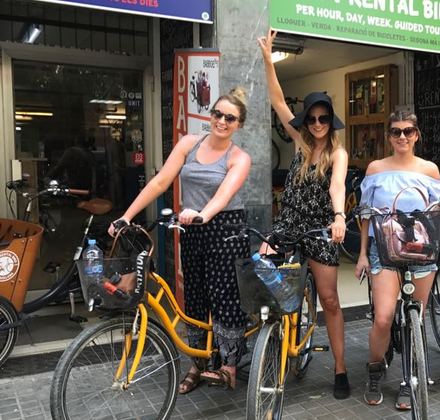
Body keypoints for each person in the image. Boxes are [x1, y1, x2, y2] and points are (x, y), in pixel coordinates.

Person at [108, 87, 252, 392]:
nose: (222, 121)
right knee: (195, 298)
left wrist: (202, 214)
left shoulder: (239, 158)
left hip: (225, 228)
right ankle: (198, 363)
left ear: (239, 124)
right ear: (210, 114)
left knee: (224, 298)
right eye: (218, 114)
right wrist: (128, 216)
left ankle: (228, 365)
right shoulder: (190, 142)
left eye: (230, 118)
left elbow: (222, 198)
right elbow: (161, 181)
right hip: (191, 226)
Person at [258, 30, 351, 399]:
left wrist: (340, 217)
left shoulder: (337, 154)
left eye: (322, 118)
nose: (316, 124)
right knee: (260, 271)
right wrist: (269, 60)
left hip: (320, 229)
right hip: (288, 225)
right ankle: (273, 339)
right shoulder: (299, 143)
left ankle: (340, 369)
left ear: (331, 120)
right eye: (311, 118)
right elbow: (279, 102)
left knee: (329, 300)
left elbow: (336, 188)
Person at [356, 110, 440, 410]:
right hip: (384, 250)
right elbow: (365, 215)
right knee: (383, 318)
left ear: (417, 134)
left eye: (408, 131)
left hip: (421, 250)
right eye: (396, 131)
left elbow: (434, 214)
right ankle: (375, 372)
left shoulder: (430, 170)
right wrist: (362, 254)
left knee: (415, 320)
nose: (402, 136)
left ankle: (409, 379)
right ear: (389, 136)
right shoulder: (375, 168)